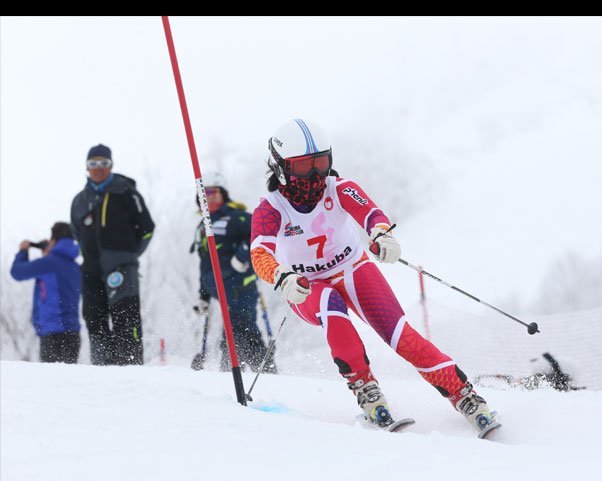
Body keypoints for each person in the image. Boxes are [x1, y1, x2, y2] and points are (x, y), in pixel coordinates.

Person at [250, 119, 500, 438]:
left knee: (400, 335)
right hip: (302, 287)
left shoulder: (338, 188)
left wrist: (382, 235)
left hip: (352, 270)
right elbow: (260, 254)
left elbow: (372, 215)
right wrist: (281, 275)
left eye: (321, 162)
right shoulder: (271, 208)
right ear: (282, 168)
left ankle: (465, 395)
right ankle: (367, 390)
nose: (314, 175)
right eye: (303, 166)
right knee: (331, 303)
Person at [70, 144, 155, 365]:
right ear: (87, 167)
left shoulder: (126, 192)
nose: (98, 168)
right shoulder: (80, 200)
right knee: (93, 319)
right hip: (91, 270)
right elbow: (77, 233)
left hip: (122, 267)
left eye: (103, 163)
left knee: (126, 319)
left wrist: (129, 255)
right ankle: (102, 370)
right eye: (93, 163)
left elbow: (146, 228)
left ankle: (130, 368)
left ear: (111, 165)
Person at [191, 172, 275, 373]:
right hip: (220, 290)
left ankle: (260, 375)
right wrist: (203, 295)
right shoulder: (204, 225)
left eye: (213, 191)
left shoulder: (236, 217)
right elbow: (206, 263)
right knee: (233, 331)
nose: (208, 196)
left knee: (241, 329)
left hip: (240, 285)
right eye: (204, 192)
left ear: (223, 194)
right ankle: (234, 373)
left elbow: (259, 234)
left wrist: (242, 256)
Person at [10, 222, 82, 363]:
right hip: (73, 333)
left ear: (53, 241)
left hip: (53, 334)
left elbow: (17, 272)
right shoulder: (75, 267)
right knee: (69, 382)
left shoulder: (48, 264)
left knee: (53, 383)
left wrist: (23, 251)